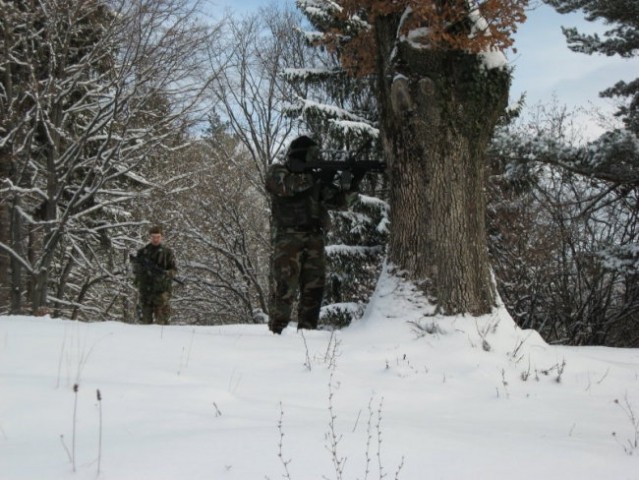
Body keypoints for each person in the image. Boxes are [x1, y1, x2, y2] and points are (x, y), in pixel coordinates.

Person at [265, 135, 359, 334]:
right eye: (312, 156)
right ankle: (276, 332)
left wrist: (353, 182)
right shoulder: (278, 172)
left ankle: (307, 334)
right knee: (285, 287)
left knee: (314, 289)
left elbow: (340, 202)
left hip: (314, 239)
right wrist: (317, 176)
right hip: (288, 239)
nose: (314, 161)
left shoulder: (314, 179)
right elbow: (287, 186)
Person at [132, 225, 177, 325]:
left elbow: (173, 270)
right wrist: (143, 269)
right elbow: (136, 270)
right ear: (150, 237)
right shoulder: (143, 252)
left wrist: (166, 273)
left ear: (161, 237)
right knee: (144, 322)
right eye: (153, 237)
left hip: (161, 292)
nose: (155, 239)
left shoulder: (167, 253)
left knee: (162, 324)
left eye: (158, 237)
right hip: (145, 291)